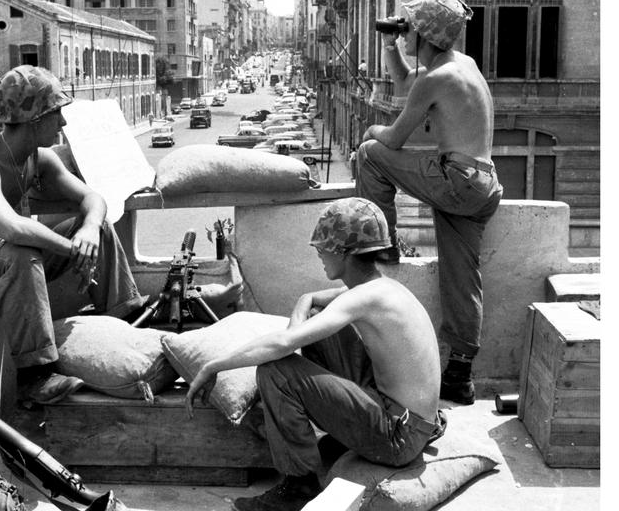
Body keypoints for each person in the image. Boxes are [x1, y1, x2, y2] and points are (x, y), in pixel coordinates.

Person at [186, 198, 446, 511]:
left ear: (345, 252)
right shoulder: (377, 287)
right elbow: (309, 299)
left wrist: (215, 365)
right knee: (315, 319)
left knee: (275, 372)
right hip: (412, 420)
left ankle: (299, 485)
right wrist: (297, 326)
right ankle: (331, 429)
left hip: (398, 436)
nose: (319, 253)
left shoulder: (364, 297)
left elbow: (281, 345)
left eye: (324, 248)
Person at [0, 65, 145, 404]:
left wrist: (89, 231)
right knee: (21, 251)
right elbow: (12, 228)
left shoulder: (39, 158)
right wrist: (73, 251)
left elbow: (93, 198)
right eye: (57, 114)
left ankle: (129, 320)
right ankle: (36, 376)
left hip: (8, 254)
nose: (62, 123)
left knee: (97, 226)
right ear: (35, 120)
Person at [354, 0, 503, 405]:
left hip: (458, 181)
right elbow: (405, 83)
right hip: (482, 185)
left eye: (409, 29)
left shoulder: (439, 78)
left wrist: (372, 132)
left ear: (425, 35)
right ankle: (460, 374)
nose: (404, 34)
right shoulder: (461, 66)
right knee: (462, 277)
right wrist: (390, 46)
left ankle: (380, 246)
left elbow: (395, 137)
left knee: (371, 154)